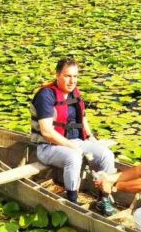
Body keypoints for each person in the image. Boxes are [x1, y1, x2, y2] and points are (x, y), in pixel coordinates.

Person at [30, 57, 117, 215]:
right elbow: (47, 132)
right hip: (48, 147)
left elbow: (82, 118)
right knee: (73, 157)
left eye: (75, 76)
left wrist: (91, 138)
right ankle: (73, 202)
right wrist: (72, 147)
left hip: (75, 141)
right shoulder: (46, 96)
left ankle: (103, 198)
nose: (72, 81)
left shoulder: (74, 93)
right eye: (67, 76)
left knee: (106, 154)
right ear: (57, 75)